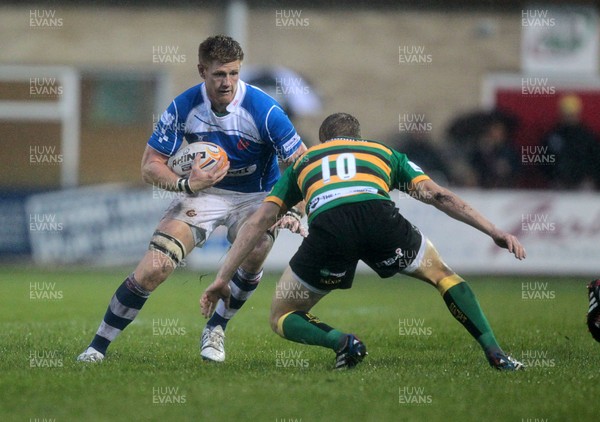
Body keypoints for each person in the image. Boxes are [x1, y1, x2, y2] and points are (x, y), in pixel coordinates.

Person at [200, 112, 527, 370]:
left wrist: (222, 278)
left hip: (330, 229)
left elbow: (259, 221)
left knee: (283, 314)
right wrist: (494, 231)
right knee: (443, 276)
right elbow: (438, 195)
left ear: (324, 140)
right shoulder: (383, 152)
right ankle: (496, 353)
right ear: (357, 137)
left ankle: (343, 343)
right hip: (380, 220)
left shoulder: (305, 161)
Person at [77, 35, 307, 363]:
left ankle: (216, 327)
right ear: (202, 71)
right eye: (219, 74)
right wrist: (186, 183)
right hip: (204, 192)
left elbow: (302, 164)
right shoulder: (184, 107)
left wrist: (294, 210)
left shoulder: (265, 110)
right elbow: (150, 166)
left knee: (257, 249)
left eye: (233, 73)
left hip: (256, 196)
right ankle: (97, 347)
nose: (227, 82)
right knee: (154, 268)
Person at [541, 94, 600, 190]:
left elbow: (596, 159)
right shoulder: (552, 137)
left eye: (571, 114)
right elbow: (543, 160)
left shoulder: (588, 137)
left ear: (578, 114)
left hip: (583, 183)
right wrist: (553, 176)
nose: (568, 117)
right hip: (559, 182)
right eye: (566, 114)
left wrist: (590, 176)